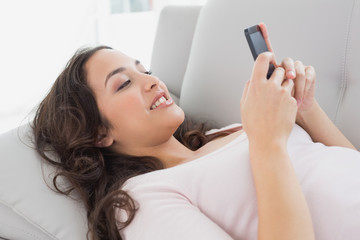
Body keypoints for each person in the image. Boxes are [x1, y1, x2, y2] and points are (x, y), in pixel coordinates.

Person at [33, 23, 360, 240]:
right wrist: (268, 142)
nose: (152, 80)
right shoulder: (138, 200)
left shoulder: (230, 131)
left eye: (145, 69)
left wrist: (305, 108)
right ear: (98, 134)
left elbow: (347, 167)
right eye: (123, 83)